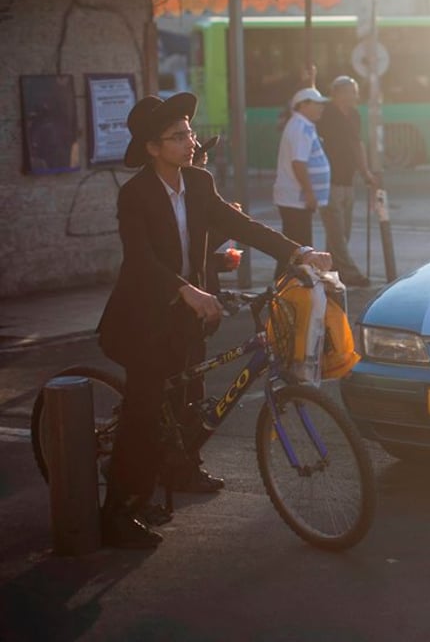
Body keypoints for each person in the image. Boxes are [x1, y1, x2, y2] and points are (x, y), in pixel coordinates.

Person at [97, 92, 331, 549]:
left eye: (189, 131)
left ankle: (181, 469)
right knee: (143, 417)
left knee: (190, 396)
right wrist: (186, 289)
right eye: (177, 135)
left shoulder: (199, 183)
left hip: (188, 317)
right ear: (152, 147)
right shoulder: (136, 195)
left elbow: (241, 226)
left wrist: (297, 251)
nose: (190, 141)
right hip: (142, 320)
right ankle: (118, 514)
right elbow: (141, 260)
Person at [316, 75, 378, 287]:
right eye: (351, 91)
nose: (354, 96)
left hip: (347, 179)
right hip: (328, 181)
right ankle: (350, 273)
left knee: (343, 232)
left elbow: (356, 144)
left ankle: (328, 271)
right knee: (336, 232)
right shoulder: (325, 113)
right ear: (338, 93)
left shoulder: (353, 115)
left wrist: (365, 171)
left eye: (355, 91)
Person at [273, 87, 332, 280]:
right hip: (296, 199)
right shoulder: (300, 127)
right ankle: (286, 290)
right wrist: (310, 193)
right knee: (298, 250)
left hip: (295, 200)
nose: (321, 108)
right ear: (303, 105)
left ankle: (286, 288)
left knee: (295, 249)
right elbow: (299, 163)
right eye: (317, 104)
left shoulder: (301, 123)